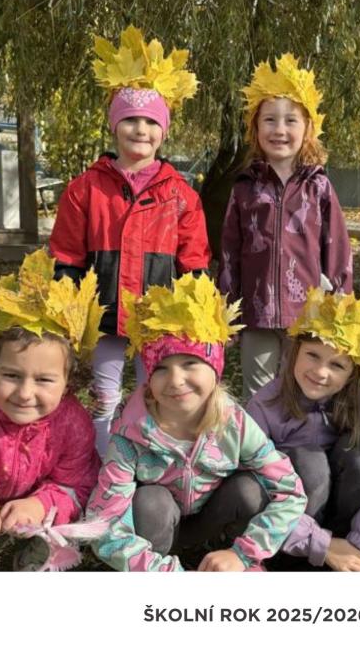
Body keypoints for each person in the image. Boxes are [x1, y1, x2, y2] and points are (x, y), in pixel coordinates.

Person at [50, 25, 211, 456]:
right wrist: (66, 305)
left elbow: (194, 260)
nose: (141, 129)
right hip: (103, 314)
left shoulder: (181, 195)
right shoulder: (85, 189)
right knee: (103, 397)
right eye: (131, 120)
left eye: (151, 121)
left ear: (164, 131)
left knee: (154, 395)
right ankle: (102, 466)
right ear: (114, 125)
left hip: (157, 318)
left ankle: (147, 465)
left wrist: (196, 313)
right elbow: (67, 252)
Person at [85, 273, 307, 571]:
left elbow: (291, 492)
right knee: (151, 501)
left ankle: (229, 561)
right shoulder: (130, 434)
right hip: (157, 528)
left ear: (215, 369)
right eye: (161, 369)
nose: (176, 380)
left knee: (249, 490)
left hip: (213, 520)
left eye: (190, 363)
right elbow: (103, 523)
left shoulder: (234, 423)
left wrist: (243, 555)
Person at [0, 249, 102, 572]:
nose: (25, 394)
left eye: (44, 380)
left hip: (29, 500)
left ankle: (34, 551)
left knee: (67, 516)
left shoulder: (73, 423)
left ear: (69, 381)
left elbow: (79, 482)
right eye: (11, 375)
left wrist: (41, 503)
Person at [219, 53, 352, 400]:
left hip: (307, 316)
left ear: (307, 129)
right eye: (270, 120)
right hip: (256, 313)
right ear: (255, 128)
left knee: (301, 391)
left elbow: (337, 251)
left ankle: (300, 437)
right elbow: (230, 253)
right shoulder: (245, 188)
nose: (279, 130)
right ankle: (259, 438)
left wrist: (339, 305)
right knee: (259, 393)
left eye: (290, 120)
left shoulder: (318, 187)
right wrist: (227, 308)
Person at [247, 288, 360, 571]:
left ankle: (345, 554)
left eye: (337, 365)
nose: (320, 372)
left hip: (345, 534)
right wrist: (318, 543)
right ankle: (296, 560)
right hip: (288, 528)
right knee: (309, 462)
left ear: (352, 374)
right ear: (294, 351)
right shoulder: (265, 404)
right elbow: (254, 483)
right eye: (312, 355)